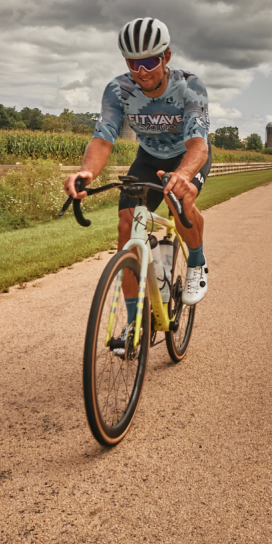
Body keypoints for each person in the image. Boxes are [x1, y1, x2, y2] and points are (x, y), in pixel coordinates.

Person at [64, 18, 212, 341]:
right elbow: (102, 139)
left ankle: (197, 263)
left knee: (179, 201)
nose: (141, 71)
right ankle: (136, 324)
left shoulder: (190, 86)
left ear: (166, 58)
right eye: (133, 63)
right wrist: (86, 172)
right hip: (148, 158)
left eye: (149, 62)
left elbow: (198, 144)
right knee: (125, 226)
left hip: (186, 155)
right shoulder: (119, 90)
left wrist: (183, 176)